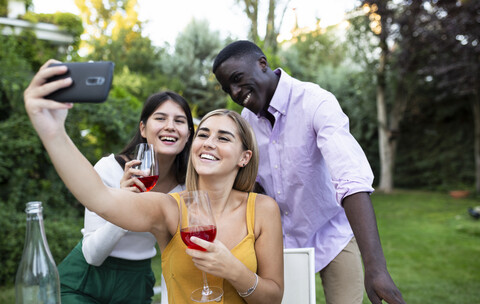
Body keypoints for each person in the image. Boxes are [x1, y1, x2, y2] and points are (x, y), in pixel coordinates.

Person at [24, 59, 284, 304]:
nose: (209, 143)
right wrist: (53, 131)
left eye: (224, 138)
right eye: (203, 134)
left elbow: (273, 297)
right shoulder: (169, 208)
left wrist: (233, 270)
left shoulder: (263, 209)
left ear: (244, 157)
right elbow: (98, 198)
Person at [212, 40, 406, 304]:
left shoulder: (316, 102)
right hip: (276, 242)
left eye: (237, 79)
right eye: (228, 88)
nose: (234, 92)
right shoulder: (245, 122)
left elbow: (350, 179)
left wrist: (377, 268)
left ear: (262, 64)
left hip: (331, 232)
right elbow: (247, 184)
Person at [57, 90, 195, 304]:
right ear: (143, 128)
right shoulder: (109, 168)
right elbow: (92, 255)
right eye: (160, 118)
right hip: (83, 281)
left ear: (187, 134)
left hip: (136, 284)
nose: (170, 126)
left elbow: (174, 261)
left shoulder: (186, 189)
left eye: (179, 121)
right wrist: (125, 204)